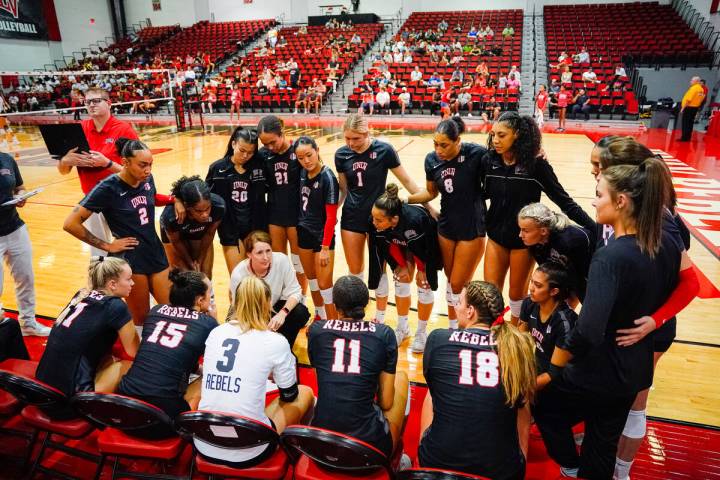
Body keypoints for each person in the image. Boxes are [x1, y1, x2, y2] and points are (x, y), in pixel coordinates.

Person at [536, 158, 685, 478]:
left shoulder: (612, 255)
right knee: (602, 444)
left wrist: (555, 368)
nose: (593, 201)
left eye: (599, 194)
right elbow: (690, 282)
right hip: (635, 368)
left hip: (601, 370)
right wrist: (656, 321)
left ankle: (569, 464)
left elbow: (588, 331)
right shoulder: (667, 237)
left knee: (545, 407)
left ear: (621, 201)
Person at [587, 136, 699, 480]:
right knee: (609, 402)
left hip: (647, 327)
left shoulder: (661, 220)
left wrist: (655, 320)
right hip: (624, 323)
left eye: (599, 168)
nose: (594, 175)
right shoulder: (621, 209)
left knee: (635, 403)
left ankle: (622, 473)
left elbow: (692, 283)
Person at [481, 112, 594, 322]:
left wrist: (595, 229)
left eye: (502, 135)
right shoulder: (488, 160)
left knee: (516, 295)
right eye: (493, 134)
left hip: (523, 241)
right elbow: (480, 192)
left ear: (517, 135)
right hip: (496, 236)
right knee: (490, 294)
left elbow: (564, 201)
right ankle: (493, 336)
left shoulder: (536, 165)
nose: (495, 140)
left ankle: (515, 339)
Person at [418, 280, 534, 479]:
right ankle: (518, 457)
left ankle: (422, 460)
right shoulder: (517, 346)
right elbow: (522, 405)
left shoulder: (438, 338)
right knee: (521, 400)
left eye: (460, 302)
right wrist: (521, 457)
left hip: (437, 461)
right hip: (502, 471)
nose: (456, 306)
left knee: (434, 389)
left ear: (470, 311)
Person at [197, 276, 315, 467]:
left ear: (234, 301)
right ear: (268, 303)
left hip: (205, 441)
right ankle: (301, 456)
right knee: (304, 392)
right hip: (250, 448)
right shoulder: (275, 341)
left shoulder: (216, 332)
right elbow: (289, 394)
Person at [63, 138, 173, 326]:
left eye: (150, 164)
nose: (148, 170)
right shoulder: (107, 188)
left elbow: (152, 199)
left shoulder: (147, 179)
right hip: (132, 259)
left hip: (155, 251)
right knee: (142, 318)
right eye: (142, 165)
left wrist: (175, 199)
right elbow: (70, 223)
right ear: (125, 162)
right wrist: (107, 245)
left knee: (170, 310)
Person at [335, 114, 423, 323]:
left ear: (367, 133)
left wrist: (427, 206)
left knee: (379, 269)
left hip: (379, 219)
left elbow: (407, 180)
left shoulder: (384, 151)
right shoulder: (341, 155)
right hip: (352, 217)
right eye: (347, 138)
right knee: (355, 271)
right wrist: (327, 215)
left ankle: (380, 319)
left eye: (356, 138)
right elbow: (343, 190)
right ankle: (354, 318)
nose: (350, 143)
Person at [307, 276, 409, 457]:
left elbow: (322, 382)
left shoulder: (316, 331)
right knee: (401, 378)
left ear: (336, 306)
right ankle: (398, 459)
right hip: (367, 452)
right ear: (366, 304)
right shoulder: (384, 334)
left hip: (319, 446)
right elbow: (386, 401)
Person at [408, 117, 487, 329]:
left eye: (444, 145)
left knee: (458, 283)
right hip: (446, 225)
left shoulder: (476, 154)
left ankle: (462, 328)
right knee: (452, 280)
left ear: (457, 141)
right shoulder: (431, 160)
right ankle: (456, 325)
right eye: (435, 144)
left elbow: (506, 159)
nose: (438, 149)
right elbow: (431, 192)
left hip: (472, 226)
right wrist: (405, 199)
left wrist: (536, 153)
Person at [35, 257, 139, 417]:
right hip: (69, 402)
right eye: (128, 279)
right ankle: (114, 415)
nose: (132, 283)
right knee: (128, 365)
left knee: (107, 358)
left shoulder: (81, 294)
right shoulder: (116, 306)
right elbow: (135, 352)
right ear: (112, 284)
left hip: (39, 390)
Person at [117, 270, 217, 431]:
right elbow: (218, 364)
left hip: (123, 407)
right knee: (210, 378)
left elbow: (174, 351)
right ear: (200, 300)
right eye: (209, 293)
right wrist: (213, 318)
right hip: (161, 419)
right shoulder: (207, 324)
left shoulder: (156, 310)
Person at [57, 87, 139, 257]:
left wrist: (107, 163)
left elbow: (137, 171)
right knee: (99, 253)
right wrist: (65, 161)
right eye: (88, 102)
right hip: (92, 201)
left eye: (96, 101)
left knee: (128, 246)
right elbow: (63, 171)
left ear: (109, 103)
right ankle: (101, 283)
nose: (91, 105)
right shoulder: (80, 129)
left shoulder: (123, 130)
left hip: (121, 199)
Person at [519, 263, 578, 476]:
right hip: (542, 366)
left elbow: (555, 374)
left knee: (548, 415)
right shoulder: (530, 304)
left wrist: (523, 389)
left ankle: (571, 463)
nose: (530, 288)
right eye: (532, 282)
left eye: (537, 285)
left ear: (554, 291)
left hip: (569, 378)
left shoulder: (565, 323)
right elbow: (521, 342)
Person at [368, 184, 440, 352]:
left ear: (394, 219)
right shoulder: (377, 221)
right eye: (373, 218)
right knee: (401, 280)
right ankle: (402, 328)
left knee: (424, 283)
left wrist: (424, 270)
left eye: (378, 220)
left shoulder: (417, 220)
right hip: (399, 243)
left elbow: (429, 251)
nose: (373, 222)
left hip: (424, 246)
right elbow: (385, 248)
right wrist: (399, 266)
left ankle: (422, 332)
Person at [229, 230, 310, 348]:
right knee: (233, 328)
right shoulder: (238, 274)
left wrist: (283, 313)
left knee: (300, 312)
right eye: (259, 253)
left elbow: (295, 291)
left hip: (273, 308)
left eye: (268, 251)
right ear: (249, 254)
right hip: (249, 312)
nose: (266, 257)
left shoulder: (282, 260)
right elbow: (240, 309)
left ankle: (285, 347)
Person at [206, 126, 267, 273]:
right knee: (238, 279)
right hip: (230, 230)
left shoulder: (259, 166)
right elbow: (204, 196)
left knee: (258, 280)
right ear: (233, 144)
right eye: (242, 150)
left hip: (256, 229)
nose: (246, 155)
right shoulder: (217, 168)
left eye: (251, 152)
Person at [257, 116, 308, 293]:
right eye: (265, 144)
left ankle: (300, 298)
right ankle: (281, 298)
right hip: (274, 215)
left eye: (273, 142)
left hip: (296, 215)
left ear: (282, 134)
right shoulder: (263, 155)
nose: (270, 147)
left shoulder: (298, 151)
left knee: (298, 263)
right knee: (278, 263)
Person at [0, 152, 46, 336]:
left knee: (26, 278)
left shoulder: (7, 159)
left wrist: (21, 195)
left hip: (15, 228)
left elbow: (19, 186)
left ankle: (28, 323)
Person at [295, 136, 339, 321]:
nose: (306, 161)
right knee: (312, 281)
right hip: (304, 233)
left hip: (322, 238)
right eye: (300, 158)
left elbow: (331, 218)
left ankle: (333, 321)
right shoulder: (303, 172)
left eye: (309, 155)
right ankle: (320, 316)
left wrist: (325, 248)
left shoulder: (328, 178)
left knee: (324, 284)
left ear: (317, 150)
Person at [518, 202, 595, 304]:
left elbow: (582, 282)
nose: (520, 235)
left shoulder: (570, 242)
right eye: (520, 229)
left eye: (525, 231)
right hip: (571, 273)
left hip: (590, 273)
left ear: (543, 231)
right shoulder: (535, 243)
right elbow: (552, 274)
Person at [160, 176, 225, 278]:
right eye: (199, 211)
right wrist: (190, 262)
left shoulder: (219, 206)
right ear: (187, 206)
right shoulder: (171, 217)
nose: (205, 215)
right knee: (186, 276)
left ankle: (208, 294)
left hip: (199, 231)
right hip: (176, 236)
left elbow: (209, 233)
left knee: (205, 275)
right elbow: (176, 242)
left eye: (208, 208)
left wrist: (199, 260)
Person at [679, 76, 705, 142]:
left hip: (689, 107)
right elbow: (702, 99)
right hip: (695, 108)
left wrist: (683, 108)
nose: (690, 82)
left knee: (685, 123)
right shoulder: (701, 89)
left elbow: (688, 99)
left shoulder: (693, 89)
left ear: (696, 81)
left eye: (692, 80)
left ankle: (684, 138)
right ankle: (688, 137)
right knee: (690, 123)